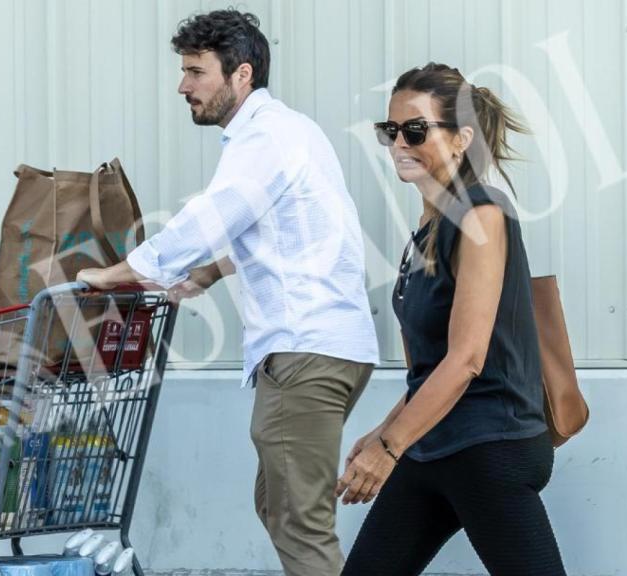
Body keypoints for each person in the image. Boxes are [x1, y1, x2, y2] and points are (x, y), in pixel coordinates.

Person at [77, 9, 378, 575]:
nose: (182, 86)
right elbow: (284, 228)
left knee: (299, 524)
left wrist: (122, 272)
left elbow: (214, 215)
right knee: (277, 506)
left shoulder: (263, 138)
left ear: (241, 75)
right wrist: (209, 274)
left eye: (196, 72)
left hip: (305, 349)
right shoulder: (290, 131)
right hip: (328, 346)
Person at [337, 62, 566, 576]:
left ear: (462, 138)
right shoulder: (427, 227)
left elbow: (465, 360)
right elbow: (430, 368)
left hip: (490, 446)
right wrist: (383, 431)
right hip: (435, 442)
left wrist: (390, 448)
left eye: (415, 130)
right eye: (389, 130)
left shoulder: (481, 214)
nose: (399, 142)